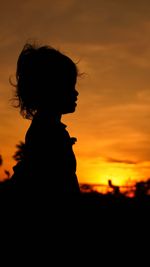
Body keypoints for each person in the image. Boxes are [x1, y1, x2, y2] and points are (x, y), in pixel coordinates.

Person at [10, 43, 81, 197]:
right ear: (50, 89)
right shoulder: (47, 133)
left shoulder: (48, 129)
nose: (76, 93)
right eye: (69, 86)